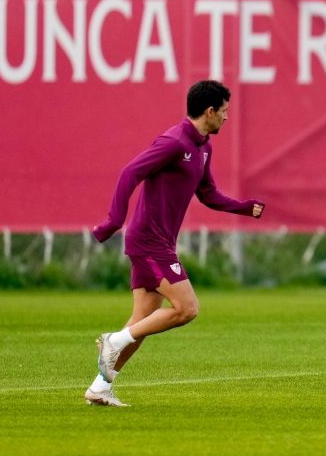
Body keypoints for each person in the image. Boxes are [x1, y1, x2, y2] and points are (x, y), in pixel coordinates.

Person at [85, 80, 265, 407]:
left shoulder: (203, 147)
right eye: (224, 111)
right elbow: (129, 173)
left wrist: (243, 207)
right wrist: (113, 220)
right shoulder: (173, 141)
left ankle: (100, 386)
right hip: (148, 242)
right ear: (209, 111)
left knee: (142, 322)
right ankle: (113, 340)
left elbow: (208, 194)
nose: (227, 118)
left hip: (160, 241)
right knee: (187, 309)